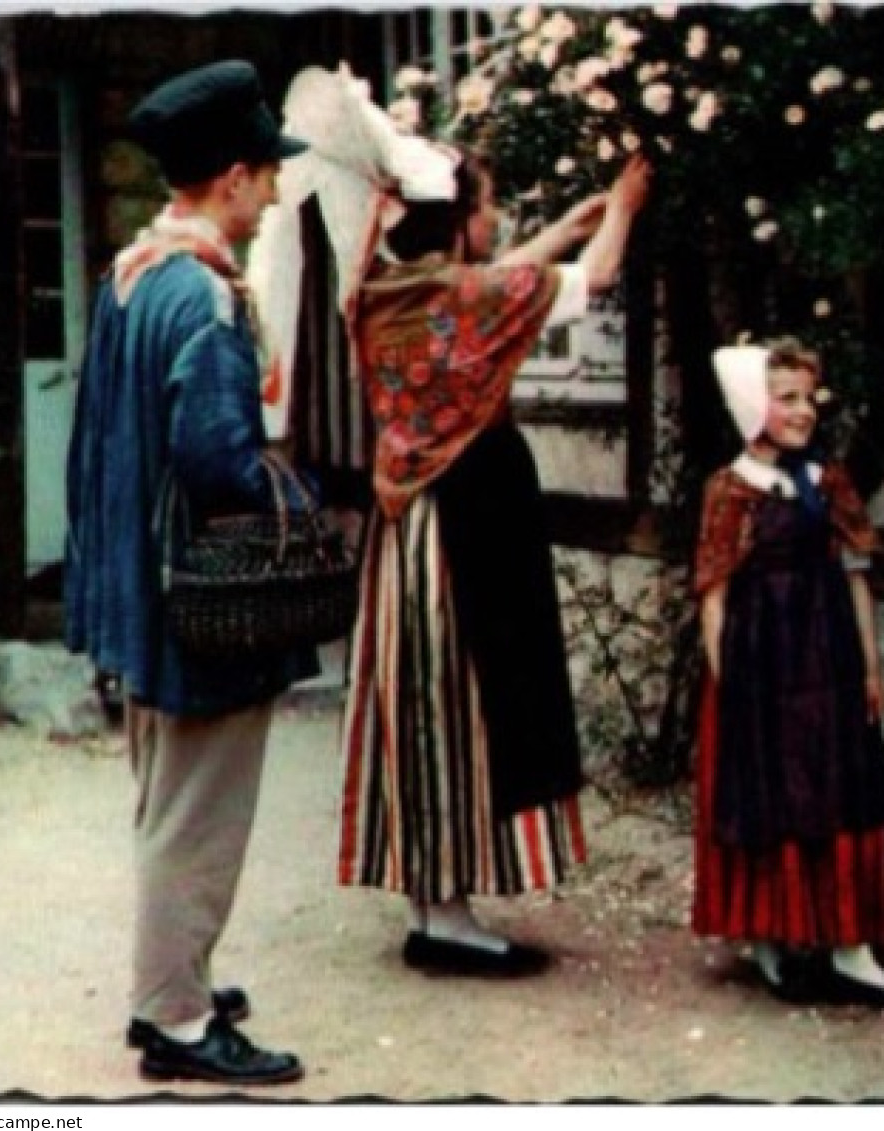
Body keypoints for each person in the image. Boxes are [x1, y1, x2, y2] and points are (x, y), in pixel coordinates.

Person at [250, 66, 649, 975]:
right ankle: (452, 918)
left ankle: (434, 904)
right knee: (469, 699)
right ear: (453, 220)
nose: (497, 220)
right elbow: (590, 280)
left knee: (419, 700)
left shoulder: (384, 296)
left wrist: (567, 221)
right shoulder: (458, 299)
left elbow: (492, 279)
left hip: (406, 532)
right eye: (490, 206)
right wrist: (622, 206)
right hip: (466, 524)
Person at [64, 60, 314, 1086]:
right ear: (233, 178)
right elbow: (217, 459)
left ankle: (179, 977)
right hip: (199, 603)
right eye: (267, 174)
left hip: (141, 584)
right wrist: (285, 492)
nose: (273, 194)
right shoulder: (206, 298)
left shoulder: (134, 276)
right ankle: (172, 1018)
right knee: (196, 816)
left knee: (165, 799)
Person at [690, 340, 884, 1014]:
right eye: (786, 397)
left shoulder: (826, 481)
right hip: (761, 666)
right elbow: (714, 594)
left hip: (824, 659)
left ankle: (850, 946)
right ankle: (773, 935)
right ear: (752, 405)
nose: (803, 410)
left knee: (841, 790)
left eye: (808, 396)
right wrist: (728, 685)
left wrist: (871, 666)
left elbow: (856, 578)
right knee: (770, 793)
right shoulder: (731, 488)